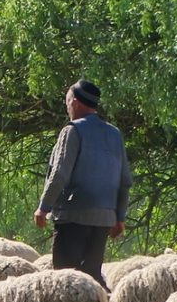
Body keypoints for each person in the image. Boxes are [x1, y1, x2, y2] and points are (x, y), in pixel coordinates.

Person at [35, 79, 130, 285]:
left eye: (67, 102)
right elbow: (124, 181)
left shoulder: (72, 131)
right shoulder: (114, 134)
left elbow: (60, 173)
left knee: (65, 281)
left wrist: (43, 207)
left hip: (72, 217)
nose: (67, 106)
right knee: (92, 279)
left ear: (75, 103)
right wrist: (119, 217)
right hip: (104, 220)